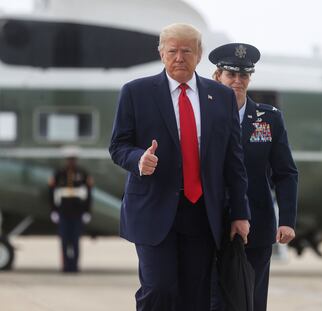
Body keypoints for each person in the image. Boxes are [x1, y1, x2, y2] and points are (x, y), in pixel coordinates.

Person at [109, 24, 250, 311]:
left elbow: (233, 161)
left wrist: (239, 213)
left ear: (199, 54)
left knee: (196, 296)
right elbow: (118, 146)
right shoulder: (136, 92)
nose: (179, 58)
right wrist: (138, 160)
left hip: (202, 212)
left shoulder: (221, 97)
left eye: (187, 51)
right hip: (154, 207)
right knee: (159, 289)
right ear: (161, 53)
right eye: (172, 51)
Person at [209, 43, 298, 311]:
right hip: (211, 224)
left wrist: (287, 220)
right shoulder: (203, 116)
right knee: (213, 300)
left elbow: (286, 173)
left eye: (244, 75)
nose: (238, 81)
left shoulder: (269, 119)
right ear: (218, 77)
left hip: (257, 226)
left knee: (252, 300)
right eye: (231, 74)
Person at [48, 146, 93, 273]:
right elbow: (51, 192)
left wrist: (87, 211)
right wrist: (54, 210)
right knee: (64, 240)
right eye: (69, 159)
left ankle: (74, 266)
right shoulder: (59, 173)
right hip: (63, 212)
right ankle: (65, 266)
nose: (71, 162)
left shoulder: (83, 173)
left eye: (73, 159)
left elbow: (89, 193)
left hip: (77, 212)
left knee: (75, 240)